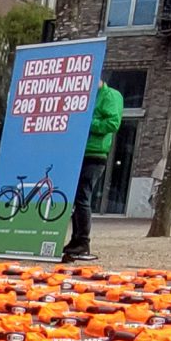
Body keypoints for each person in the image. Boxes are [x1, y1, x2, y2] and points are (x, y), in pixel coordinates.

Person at [63, 82, 124, 263]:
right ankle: (76, 239)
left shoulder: (110, 95)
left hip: (94, 153)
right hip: (78, 151)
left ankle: (83, 241)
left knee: (82, 195)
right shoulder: (86, 96)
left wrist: (87, 122)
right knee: (76, 197)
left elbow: (113, 123)